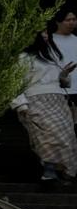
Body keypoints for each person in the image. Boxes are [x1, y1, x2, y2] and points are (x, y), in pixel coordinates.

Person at [12, 19, 77, 185]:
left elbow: (63, 83)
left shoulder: (54, 55)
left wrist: (64, 74)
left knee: (66, 137)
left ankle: (61, 171)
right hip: (36, 100)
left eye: (47, 32)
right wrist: (21, 105)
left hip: (58, 101)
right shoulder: (23, 58)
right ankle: (49, 170)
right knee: (47, 135)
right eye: (42, 33)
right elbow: (14, 83)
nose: (46, 35)